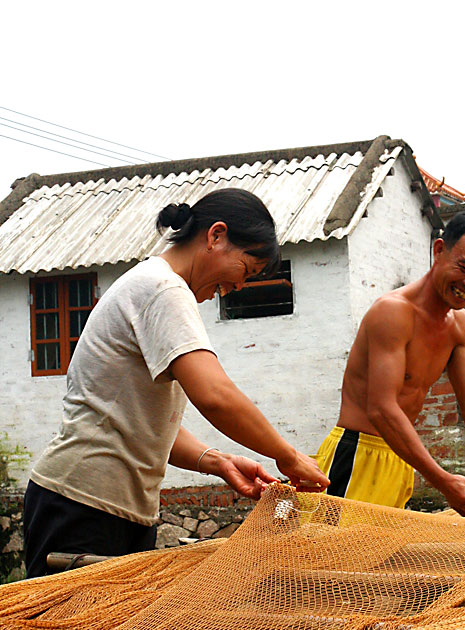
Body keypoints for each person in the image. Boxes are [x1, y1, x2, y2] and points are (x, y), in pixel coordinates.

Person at [23, 188, 329, 578]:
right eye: (246, 271)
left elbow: (141, 421)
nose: (237, 287)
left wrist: (219, 462)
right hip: (82, 504)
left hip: (118, 510)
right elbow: (214, 395)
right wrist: (287, 456)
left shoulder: (153, 285)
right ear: (216, 236)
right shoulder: (163, 288)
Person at [315, 211, 465, 518]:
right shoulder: (394, 312)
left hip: (400, 462)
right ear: (439, 250)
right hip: (357, 456)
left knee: (373, 562)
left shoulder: (459, 326)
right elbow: (382, 409)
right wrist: (442, 480)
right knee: (320, 559)